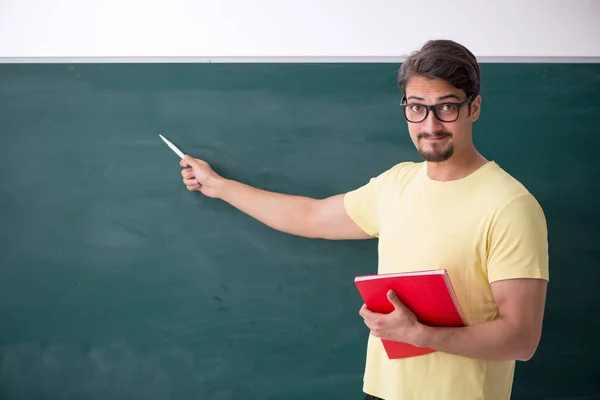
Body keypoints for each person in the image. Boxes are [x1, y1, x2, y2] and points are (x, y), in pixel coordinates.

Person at [178, 39, 549, 400]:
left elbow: (521, 338)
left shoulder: (510, 205)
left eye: (447, 107)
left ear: (475, 107)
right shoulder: (397, 183)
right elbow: (311, 216)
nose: (430, 124)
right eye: (417, 107)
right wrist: (219, 186)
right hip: (382, 392)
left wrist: (421, 335)